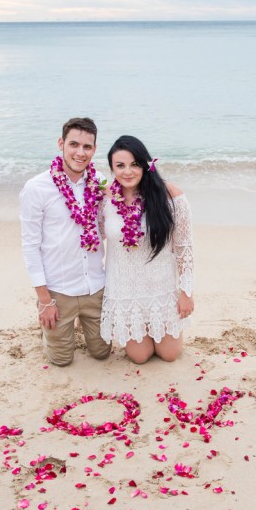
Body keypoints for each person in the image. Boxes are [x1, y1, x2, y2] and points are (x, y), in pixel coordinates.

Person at [19, 117, 112, 366]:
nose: (80, 153)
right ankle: (52, 330)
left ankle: (83, 325)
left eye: (87, 147)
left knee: (102, 352)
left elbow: (120, 209)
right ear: (61, 143)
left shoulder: (99, 181)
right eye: (74, 144)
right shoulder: (36, 188)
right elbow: (30, 246)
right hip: (59, 291)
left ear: (94, 149)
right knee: (61, 360)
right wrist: (44, 300)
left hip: (95, 286)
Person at [100, 135, 194, 363]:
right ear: (112, 168)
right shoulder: (105, 199)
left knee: (170, 354)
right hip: (126, 290)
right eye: (120, 166)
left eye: (134, 164)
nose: (127, 172)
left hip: (160, 286)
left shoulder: (170, 196)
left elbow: (183, 248)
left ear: (146, 164)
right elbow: (91, 236)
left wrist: (186, 293)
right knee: (140, 357)